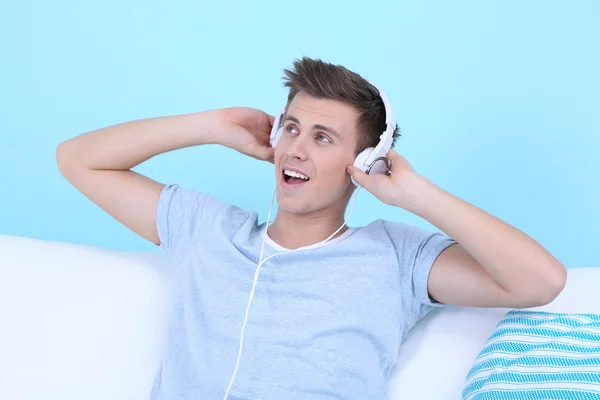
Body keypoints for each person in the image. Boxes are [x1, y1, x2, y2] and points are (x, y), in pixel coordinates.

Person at [56, 57, 567, 400]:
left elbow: (539, 282)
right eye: (293, 128)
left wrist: (414, 193)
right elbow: (78, 160)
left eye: (323, 138)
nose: (296, 148)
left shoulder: (395, 257)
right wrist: (211, 125)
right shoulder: (208, 231)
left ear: (365, 161)